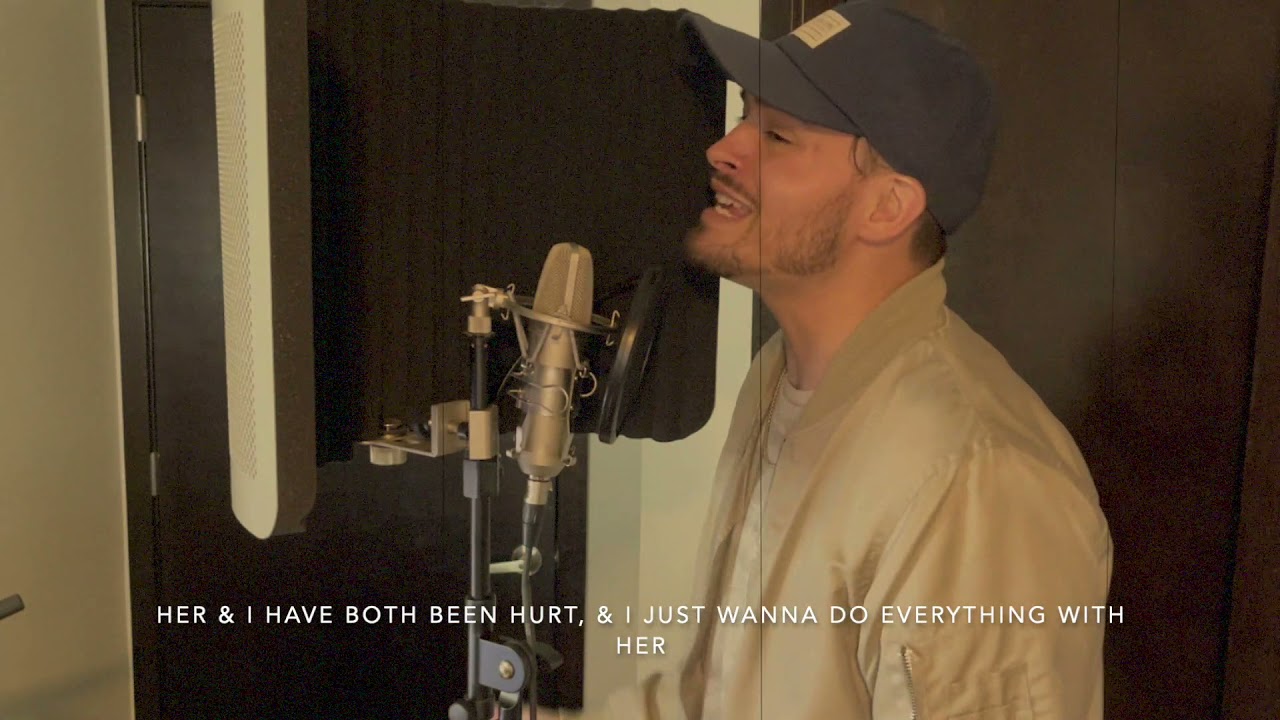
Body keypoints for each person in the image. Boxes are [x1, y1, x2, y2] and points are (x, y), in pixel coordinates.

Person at [520, 2, 1113, 718]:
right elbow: (716, 696)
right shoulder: (779, 375)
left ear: (887, 207)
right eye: (744, 115)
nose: (723, 149)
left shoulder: (976, 483)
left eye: (777, 135)